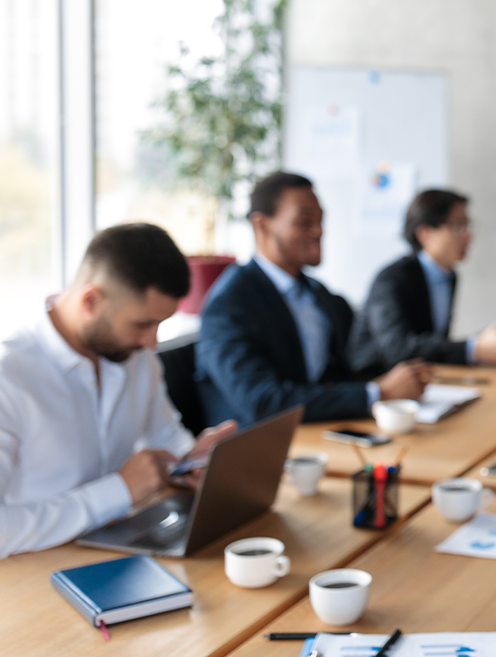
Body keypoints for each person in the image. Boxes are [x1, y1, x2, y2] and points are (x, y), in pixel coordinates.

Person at [0, 224, 236, 558]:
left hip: (120, 551)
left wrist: (193, 461)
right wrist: (119, 491)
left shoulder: (136, 358)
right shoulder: (9, 376)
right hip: (32, 575)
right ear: (90, 300)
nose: (151, 342)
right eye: (143, 324)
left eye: (160, 324)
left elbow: (164, 434)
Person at [196, 172, 429, 427]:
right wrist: (377, 393)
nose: (319, 231)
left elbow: (345, 372)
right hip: (258, 450)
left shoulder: (319, 295)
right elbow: (263, 402)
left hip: (322, 432)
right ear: (262, 226)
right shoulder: (228, 305)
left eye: (321, 221)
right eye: (305, 222)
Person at [349, 188, 496, 374]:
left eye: (468, 226)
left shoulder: (450, 275)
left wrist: (481, 344)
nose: (469, 236)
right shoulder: (391, 279)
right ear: (425, 233)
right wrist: (473, 348)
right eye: (458, 227)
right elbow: (398, 348)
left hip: (424, 379)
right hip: (377, 381)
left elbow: (435, 342)